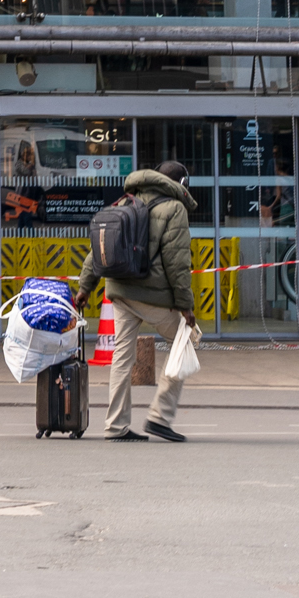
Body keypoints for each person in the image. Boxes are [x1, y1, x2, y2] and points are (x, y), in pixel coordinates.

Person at [76, 157, 200, 443]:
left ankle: (116, 425)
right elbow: (177, 263)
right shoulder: (175, 208)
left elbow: (99, 248)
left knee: (122, 355)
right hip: (152, 293)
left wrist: (85, 287)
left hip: (120, 290)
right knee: (185, 340)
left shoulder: (125, 201)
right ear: (182, 184)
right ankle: (160, 416)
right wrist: (185, 305)